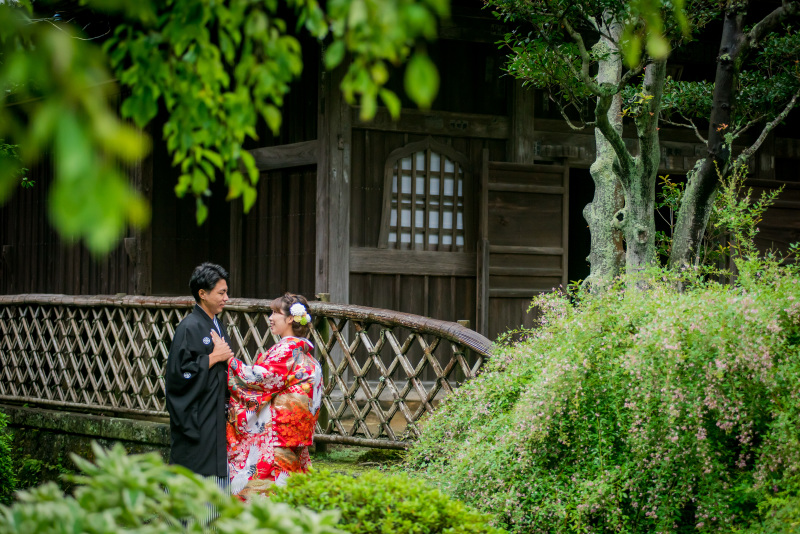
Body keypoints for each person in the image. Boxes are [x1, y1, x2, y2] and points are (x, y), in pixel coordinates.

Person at [226, 293, 323, 500]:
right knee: (289, 485)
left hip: (278, 435)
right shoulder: (306, 354)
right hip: (295, 436)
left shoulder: (287, 349)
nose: (270, 317)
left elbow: (258, 379)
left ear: (290, 319)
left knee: (269, 488)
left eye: (275, 313)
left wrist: (229, 361)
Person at [165, 262, 234, 488]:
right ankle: (186, 519)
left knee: (215, 465)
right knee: (195, 465)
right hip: (197, 413)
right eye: (221, 293)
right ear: (202, 294)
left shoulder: (215, 324)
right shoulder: (189, 327)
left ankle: (213, 520)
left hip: (214, 410)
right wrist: (213, 358)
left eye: (226, 292)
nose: (226, 298)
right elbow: (178, 375)